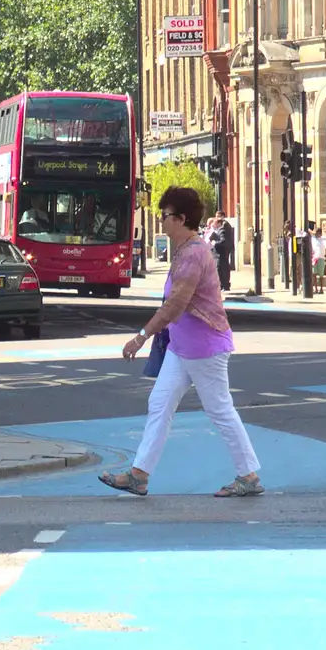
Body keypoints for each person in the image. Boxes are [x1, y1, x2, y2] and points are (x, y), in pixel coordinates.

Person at [99, 185, 262, 498]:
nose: (161, 221)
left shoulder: (193, 254)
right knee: (160, 404)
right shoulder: (186, 250)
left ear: (182, 218)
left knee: (220, 411)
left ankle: (249, 476)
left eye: (166, 216)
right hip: (181, 347)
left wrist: (141, 337)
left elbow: (175, 305)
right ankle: (139, 476)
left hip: (203, 347)